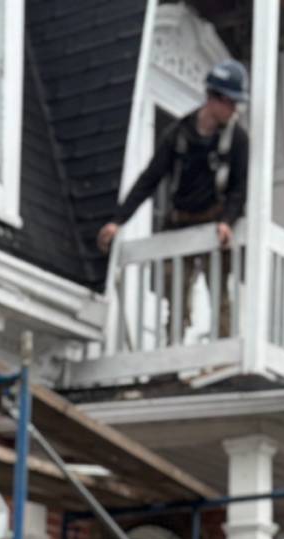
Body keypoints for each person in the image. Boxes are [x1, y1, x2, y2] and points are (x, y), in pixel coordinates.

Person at [99, 59, 250, 336]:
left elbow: (240, 189)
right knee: (175, 291)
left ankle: (222, 356)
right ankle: (173, 354)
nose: (233, 110)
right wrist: (118, 221)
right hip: (180, 222)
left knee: (220, 296)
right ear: (214, 98)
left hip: (214, 226)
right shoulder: (179, 134)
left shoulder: (237, 140)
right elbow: (150, 179)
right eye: (230, 102)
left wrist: (228, 220)